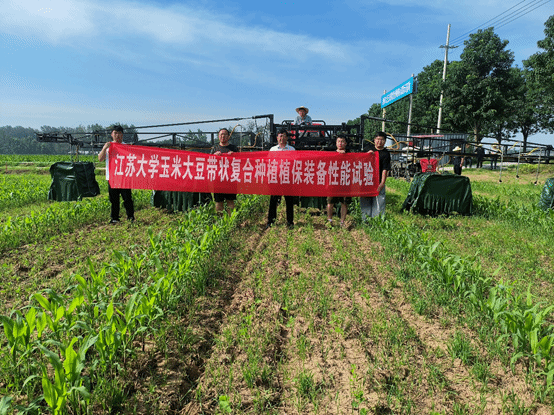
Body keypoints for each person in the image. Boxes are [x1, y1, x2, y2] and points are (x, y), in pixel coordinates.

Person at [98, 125, 135, 224]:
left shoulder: (126, 147)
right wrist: (104, 148)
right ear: (112, 134)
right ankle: (114, 218)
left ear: (122, 135)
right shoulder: (108, 147)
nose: (117, 135)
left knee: (127, 198)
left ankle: (130, 217)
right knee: (114, 199)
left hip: (124, 177)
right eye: (115, 133)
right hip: (112, 177)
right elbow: (100, 159)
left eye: (119, 133)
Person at [266, 129, 296, 229]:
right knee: (273, 200)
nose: (282, 138)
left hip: (287, 177)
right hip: (276, 178)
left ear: (287, 138)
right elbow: (269, 163)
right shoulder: (273, 150)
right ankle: (271, 221)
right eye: (280, 136)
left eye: (284, 136)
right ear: (277, 138)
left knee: (289, 201)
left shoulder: (291, 149)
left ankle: (290, 222)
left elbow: (295, 163)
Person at [360, 132, 391, 219]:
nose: (379, 142)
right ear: (374, 140)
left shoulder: (385, 153)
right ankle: (365, 220)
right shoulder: (368, 148)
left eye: (382, 140)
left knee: (379, 203)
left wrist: (382, 183)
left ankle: (377, 221)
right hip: (366, 181)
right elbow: (359, 160)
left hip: (378, 181)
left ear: (385, 141)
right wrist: (366, 155)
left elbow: (385, 169)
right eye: (378, 139)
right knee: (365, 202)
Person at [211, 128, 239, 214]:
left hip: (230, 178)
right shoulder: (215, 148)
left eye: (225, 134)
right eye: (221, 134)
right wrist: (214, 156)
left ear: (228, 136)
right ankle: (220, 220)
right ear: (218, 136)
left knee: (230, 201)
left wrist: (234, 155)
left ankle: (230, 220)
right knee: (218, 202)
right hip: (218, 179)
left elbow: (240, 161)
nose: (223, 136)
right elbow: (209, 161)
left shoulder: (233, 148)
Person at [327, 134, 351, 228]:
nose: (340, 143)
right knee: (330, 201)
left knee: (344, 202)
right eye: (338, 141)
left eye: (342, 141)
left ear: (345, 143)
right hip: (333, 181)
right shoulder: (331, 154)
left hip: (345, 181)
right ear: (336, 143)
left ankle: (342, 222)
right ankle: (329, 220)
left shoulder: (350, 155)